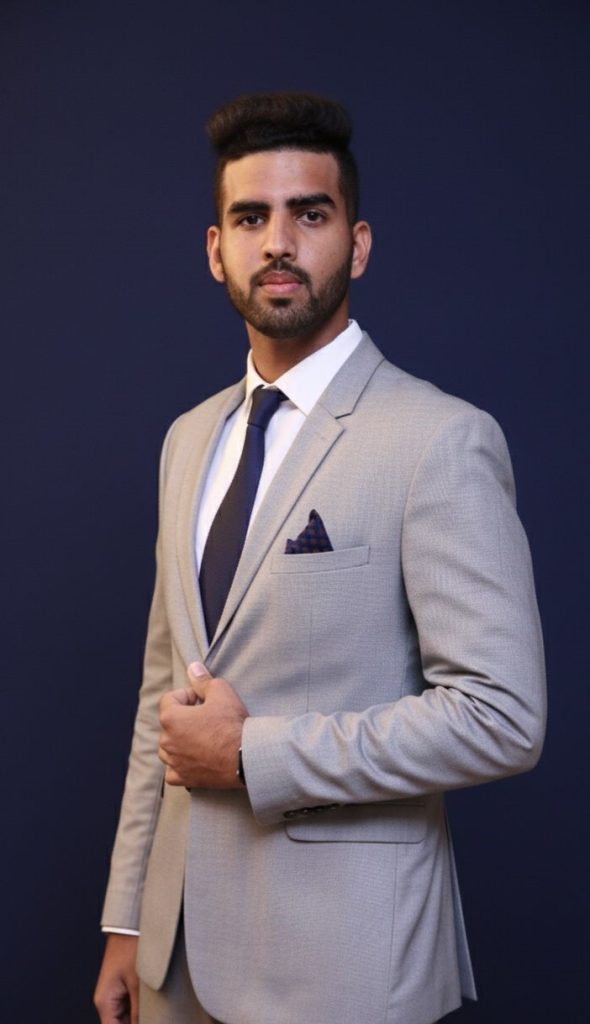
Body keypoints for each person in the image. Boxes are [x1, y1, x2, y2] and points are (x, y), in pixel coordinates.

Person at [94, 92, 546, 1024]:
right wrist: (129, 920)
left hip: (344, 968)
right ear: (215, 249)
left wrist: (250, 753)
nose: (278, 243)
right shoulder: (188, 440)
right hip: (176, 963)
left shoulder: (439, 438)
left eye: (310, 214)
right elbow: (162, 699)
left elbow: (502, 716)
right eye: (250, 218)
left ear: (358, 243)